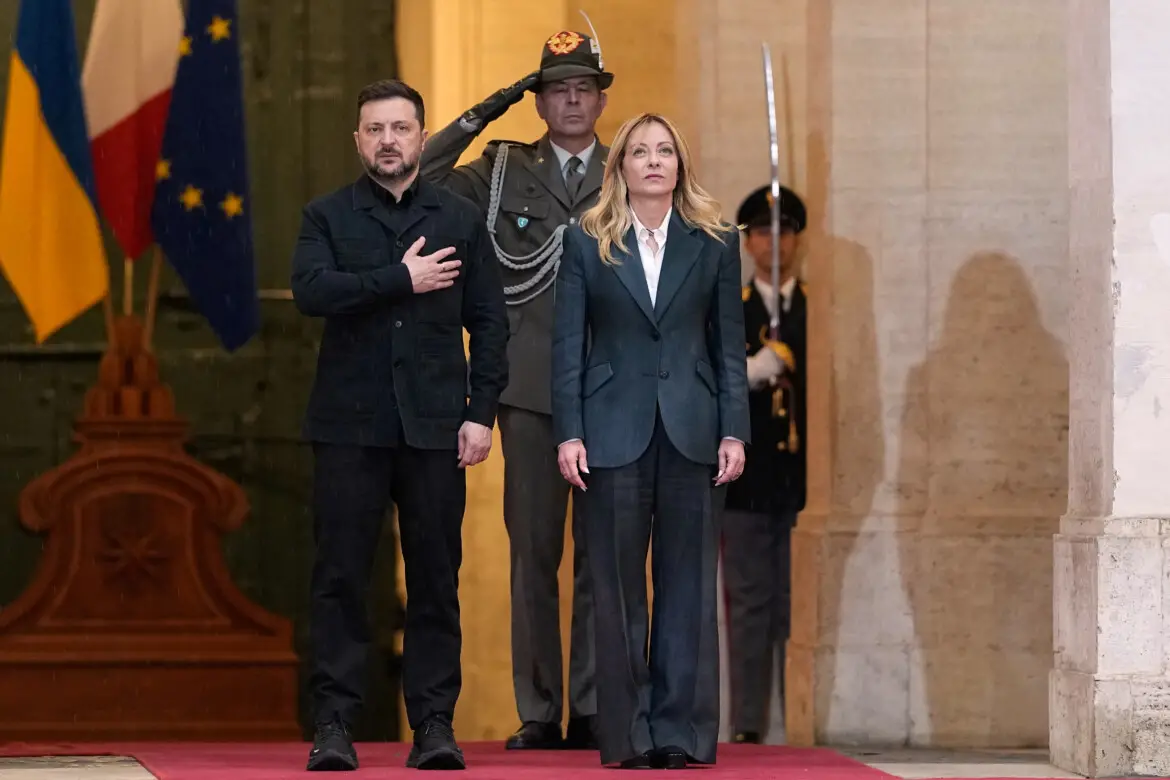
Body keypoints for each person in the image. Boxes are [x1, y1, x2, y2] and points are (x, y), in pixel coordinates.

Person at [291, 79, 508, 772]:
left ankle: (434, 724)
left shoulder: (459, 219)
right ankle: (333, 724)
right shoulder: (326, 216)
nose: (389, 140)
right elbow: (311, 291)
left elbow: (490, 323)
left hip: (436, 429)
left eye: (401, 128)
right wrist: (399, 279)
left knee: (436, 578)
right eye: (376, 129)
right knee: (340, 578)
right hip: (348, 428)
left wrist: (481, 414)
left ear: (421, 136)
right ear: (358, 140)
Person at [419, 28, 613, 751]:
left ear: (600, 101)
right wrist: (487, 108)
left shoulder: (628, 169)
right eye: (557, 89)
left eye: (584, 88)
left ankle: (593, 705)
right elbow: (424, 177)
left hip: (610, 385)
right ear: (537, 101)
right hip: (529, 386)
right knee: (533, 552)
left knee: (603, 556)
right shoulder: (503, 170)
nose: (572, 101)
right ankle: (540, 708)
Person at [550, 113, 751, 769]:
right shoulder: (585, 241)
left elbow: (729, 346)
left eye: (665, 151)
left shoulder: (716, 241)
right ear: (621, 167)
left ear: (680, 165)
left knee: (689, 588)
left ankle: (680, 733)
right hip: (610, 430)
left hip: (695, 429)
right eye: (640, 151)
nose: (654, 161)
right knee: (615, 590)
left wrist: (734, 428)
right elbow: (568, 345)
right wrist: (569, 431)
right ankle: (629, 736)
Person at [721, 184, 809, 744]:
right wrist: (752, 370)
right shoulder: (733, 308)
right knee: (750, 605)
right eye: (761, 232)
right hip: (748, 484)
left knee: (796, 604)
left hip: (803, 484)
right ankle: (750, 725)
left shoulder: (814, 309)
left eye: (783, 232)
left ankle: (797, 718)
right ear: (748, 242)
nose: (773, 242)